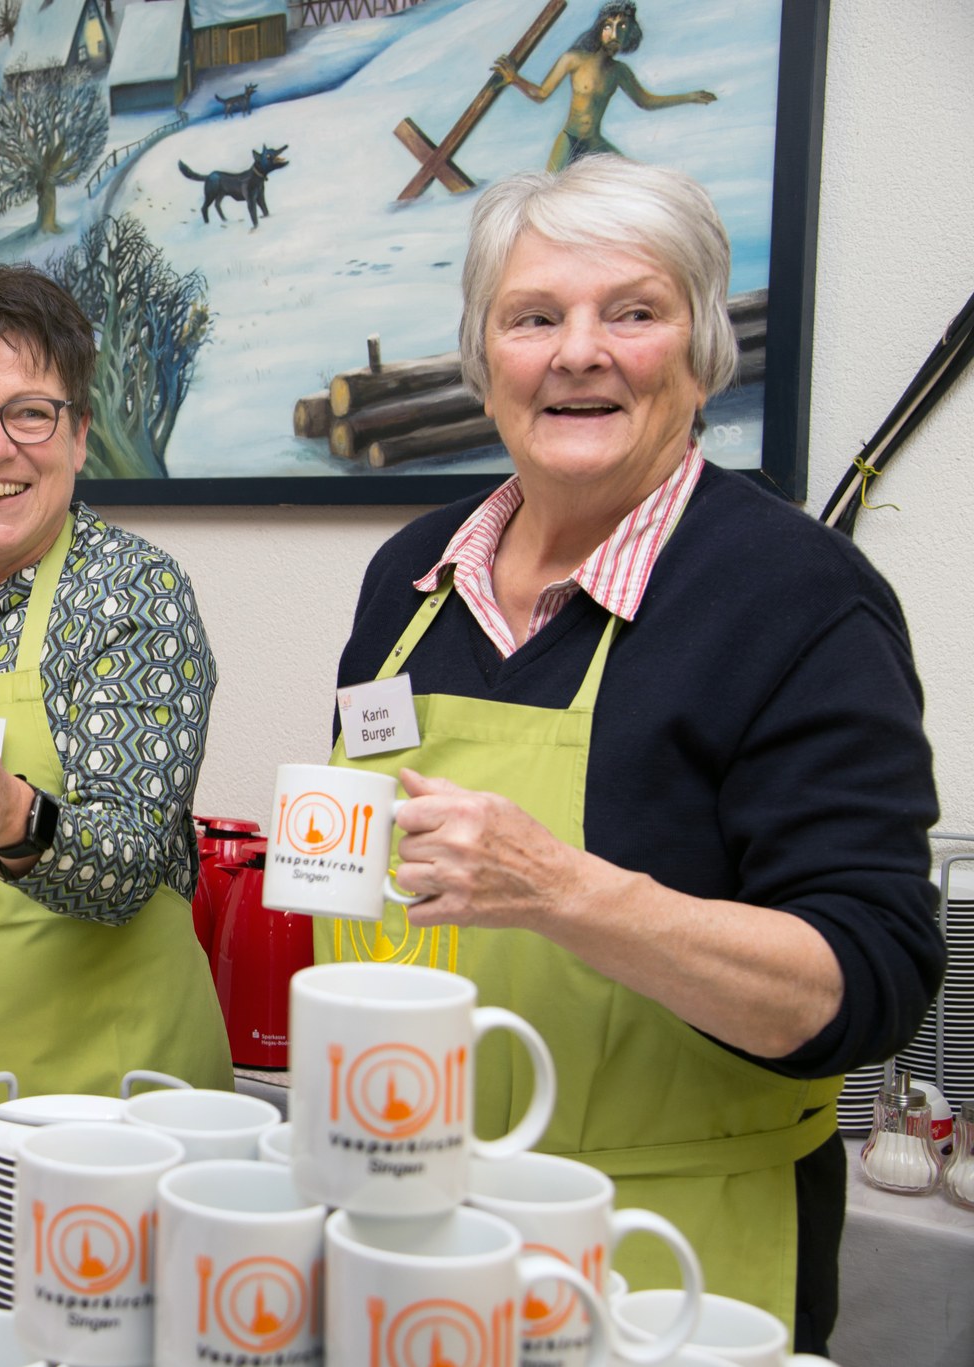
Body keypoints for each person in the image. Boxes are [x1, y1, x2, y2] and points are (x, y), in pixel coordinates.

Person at [320, 157, 944, 1350]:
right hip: (407, 1225)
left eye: (633, 311)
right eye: (532, 317)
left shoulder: (799, 598)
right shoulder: (408, 577)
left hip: (669, 1255)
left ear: (700, 352)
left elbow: (868, 980)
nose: (577, 352)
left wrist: (563, 891)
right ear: (482, 357)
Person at [0, 264, 233, 1171]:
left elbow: (130, 865)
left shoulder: (134, 595)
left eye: (30, 413)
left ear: (80, 434)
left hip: (106, 1117)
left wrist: (20, 816)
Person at [493, 1, 717, 171]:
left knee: (635, 177)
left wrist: (689, 97)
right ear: (599, 30)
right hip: (569, 139)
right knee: (548, 191)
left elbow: (646, 102)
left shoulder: (619, 71)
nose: (614, 34)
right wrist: (515, 79)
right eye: (609, 26)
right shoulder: (573, 59)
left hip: (594, 142)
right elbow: (541, 94)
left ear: (630, 32)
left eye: (622, 26)